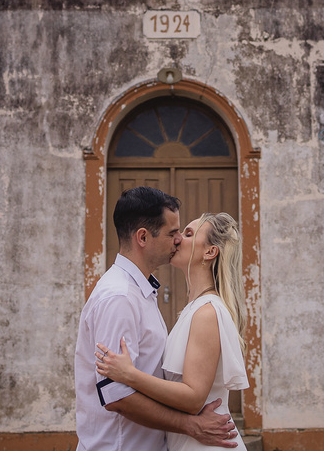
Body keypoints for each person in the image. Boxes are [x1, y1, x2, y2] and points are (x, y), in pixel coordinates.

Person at [75, 187, 238, 451]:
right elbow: (117, 396)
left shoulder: (143, 293)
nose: (177, 240)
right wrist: (190, 425)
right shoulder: (121, 297)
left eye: (184, 233)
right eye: (173, 233)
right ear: (143, 237)